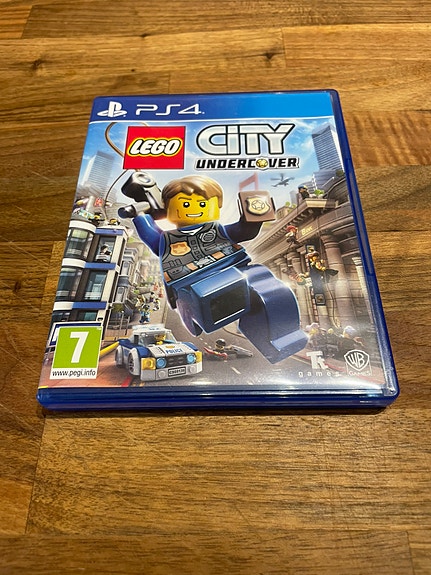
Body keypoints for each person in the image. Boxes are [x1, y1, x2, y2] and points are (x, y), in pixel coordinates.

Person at [119, 174, 307, 363]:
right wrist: (140, 216)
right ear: (166, 209)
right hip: (190, 282)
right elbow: (150, 234)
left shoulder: (219, 230)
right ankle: (199, 316)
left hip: (233, 268)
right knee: (202, 298)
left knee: (274, 291)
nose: (194, 209)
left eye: (202, 204)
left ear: (216, 206)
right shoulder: (166, 239)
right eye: (185, 204)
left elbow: (244, 231)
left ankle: (282, 339)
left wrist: (254, 216)